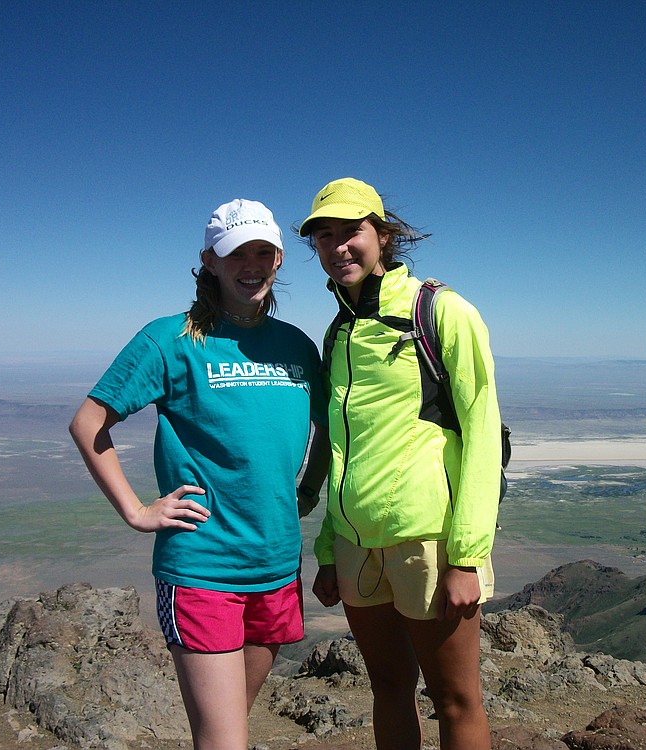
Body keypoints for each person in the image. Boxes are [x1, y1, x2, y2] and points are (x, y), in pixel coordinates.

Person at [69, 198, 326, 750]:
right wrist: (138, 511)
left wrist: (309, 488)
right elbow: (89, 421)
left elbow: (329, 427)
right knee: (225, 742)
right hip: (202, 567)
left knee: (230, 727)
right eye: (236, 254)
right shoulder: (170, 340)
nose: (251, 265)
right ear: (209, 260)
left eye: (263, 251)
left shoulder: (298, 348)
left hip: (276, 566)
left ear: (279, 258)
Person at [296, 177, 502, 750]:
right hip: (359, 545)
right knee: (387, 687)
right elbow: (340, 448)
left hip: (430, 542)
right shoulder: (337, 333)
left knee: (455, 699)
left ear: (383, 236)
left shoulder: (441, 312)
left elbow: (483, 434)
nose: (338, 247)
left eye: (351, 232)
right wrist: (331, 551)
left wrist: (468, 557)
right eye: (324, 236)